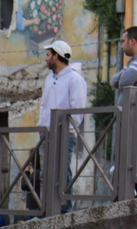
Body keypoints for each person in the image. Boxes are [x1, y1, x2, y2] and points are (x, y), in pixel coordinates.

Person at [38, 40, 88, 214]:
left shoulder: (75, 79)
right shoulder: (49, 79)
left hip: (64, 133)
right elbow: (44, 105)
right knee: (46, 173)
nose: (46, 59)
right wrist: (41, 126)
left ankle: (64, 210)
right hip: (47, 133)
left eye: (48, 55)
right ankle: (47, 210)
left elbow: (77, 110)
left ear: (56, 56)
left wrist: (68, 129)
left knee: (62, 173)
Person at [111, 27, 137, 107]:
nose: (121, 46)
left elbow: (124, 81)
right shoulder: (131, 62)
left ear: (132, 41)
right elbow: (114, 81)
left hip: (132, 117)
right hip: (127, 116)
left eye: (123, 41)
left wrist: (123, 77)